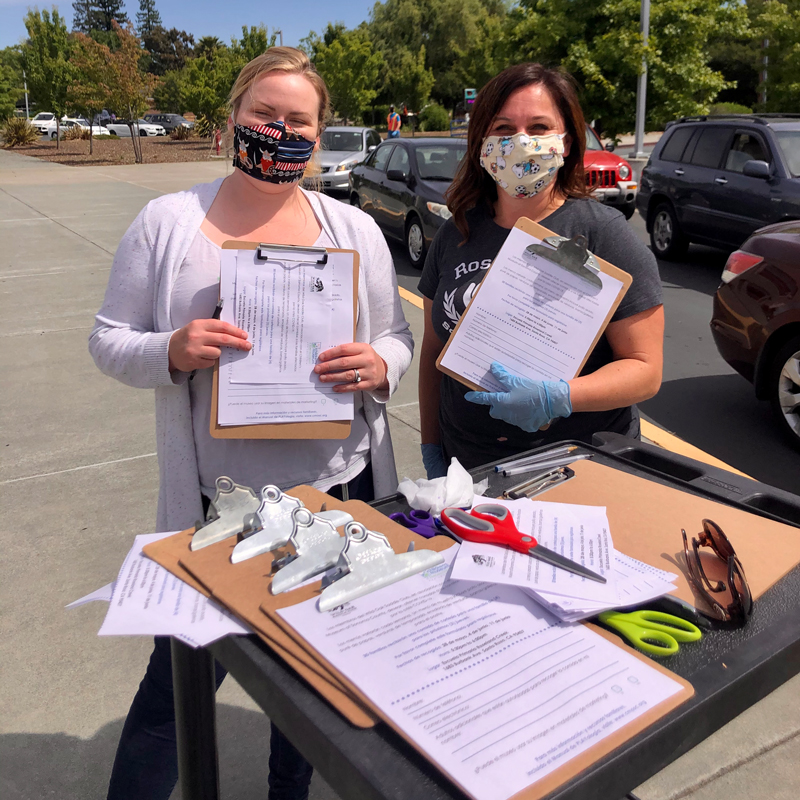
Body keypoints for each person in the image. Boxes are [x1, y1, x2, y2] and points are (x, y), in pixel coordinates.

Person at [89, 46, 413, 800]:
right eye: (264, 114)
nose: (280, 129)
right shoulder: (169, 224)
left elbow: (396, 337)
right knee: (174, 691)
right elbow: (108, 338)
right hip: (218, 507)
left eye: (299, 119)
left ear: (320, 132)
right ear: (231, 122)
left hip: (338, 492)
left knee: (309, 684)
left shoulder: (354, 230)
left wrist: (381, 365)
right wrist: (171, 348)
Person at [417, 63, 664, 478]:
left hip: (577, 467)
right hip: (469, 466)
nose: (520, 141)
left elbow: (645, 369)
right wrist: (430, 445)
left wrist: (560, 396)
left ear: (565, 142)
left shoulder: (603, 234)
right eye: (502, 128)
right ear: (480, 142)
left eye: (538, 126)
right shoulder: (456, 231)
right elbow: (432, 350)